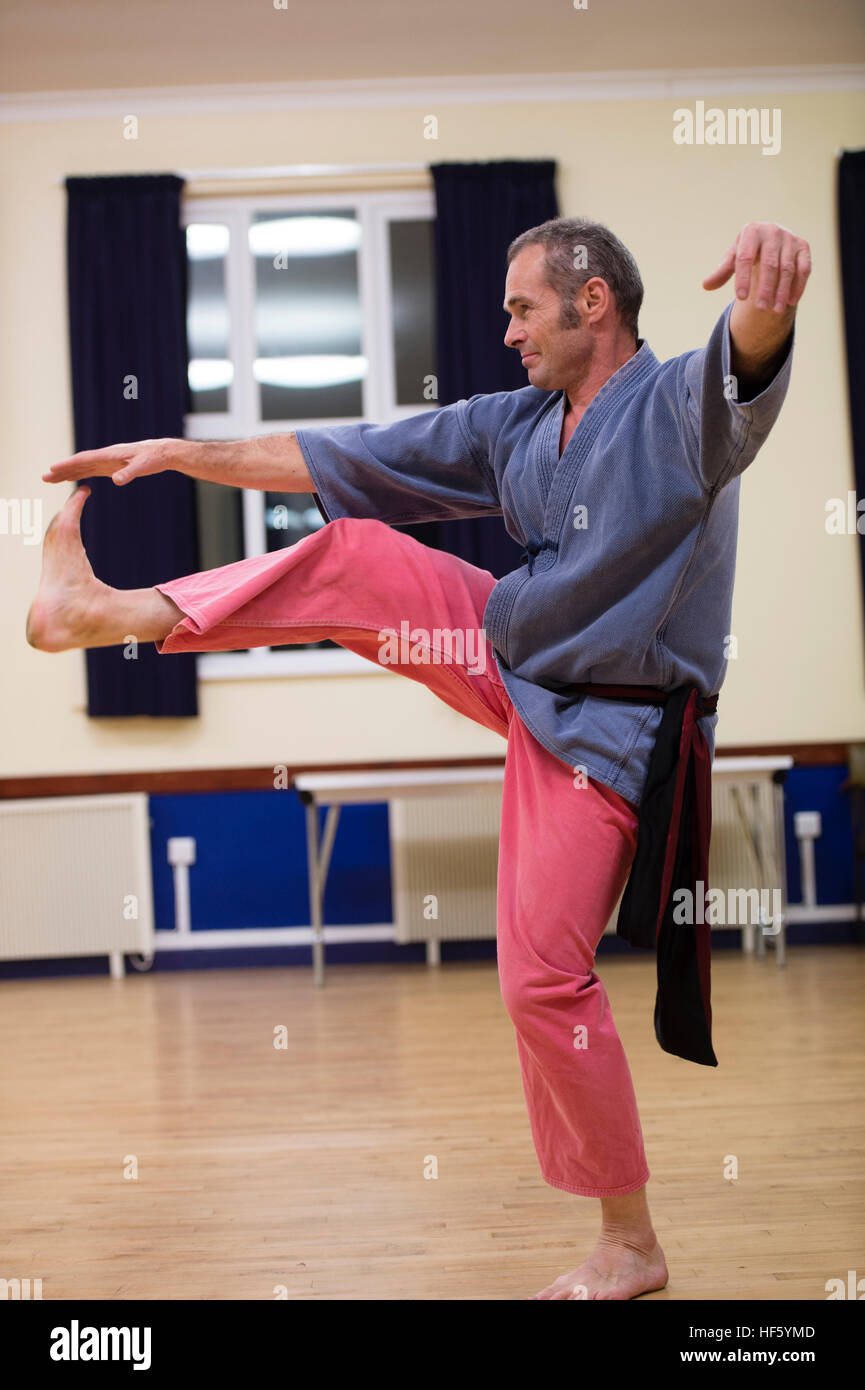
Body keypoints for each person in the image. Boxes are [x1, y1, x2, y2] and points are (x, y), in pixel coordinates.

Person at [27, 217, 809, 1300]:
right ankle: (113, 613)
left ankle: (629, 1243)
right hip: (507, 655)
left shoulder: (677, 410)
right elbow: (343, 454)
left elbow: (749, 353)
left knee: (541, 980)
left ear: (593, 305)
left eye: (521, 308)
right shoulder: (516, 425)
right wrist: (181, 452)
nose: (505, 331)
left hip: (612, 730)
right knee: (354, 553)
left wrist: (771, 293)